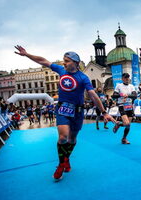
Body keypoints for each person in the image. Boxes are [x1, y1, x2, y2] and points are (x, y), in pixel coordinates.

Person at [14, 45, 116, 181]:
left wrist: (104, 112)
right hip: (62, 109)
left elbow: (92, 95)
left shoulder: (83, 77)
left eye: (67, 60)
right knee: (63, 137)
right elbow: (43, 61)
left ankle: (66, 159)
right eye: (63, 60)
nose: (64, 63)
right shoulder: (61, 70)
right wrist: (27, 54)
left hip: (77, 111)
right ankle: (61, 165)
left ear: (75, 63)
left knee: (72, 139)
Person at [111, 73, 137, 144]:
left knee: (128, 125)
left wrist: (128, 95)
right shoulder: (119, 86)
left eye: (128, 78)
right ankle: (119, 125)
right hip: (122, 106)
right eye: (125, 78)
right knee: (126, 123)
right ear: (122, 78)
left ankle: (124, 138)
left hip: (129, 106)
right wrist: (121, 95)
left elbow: (135, 95)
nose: (127, 79)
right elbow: (114, 95)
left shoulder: (131, 86)